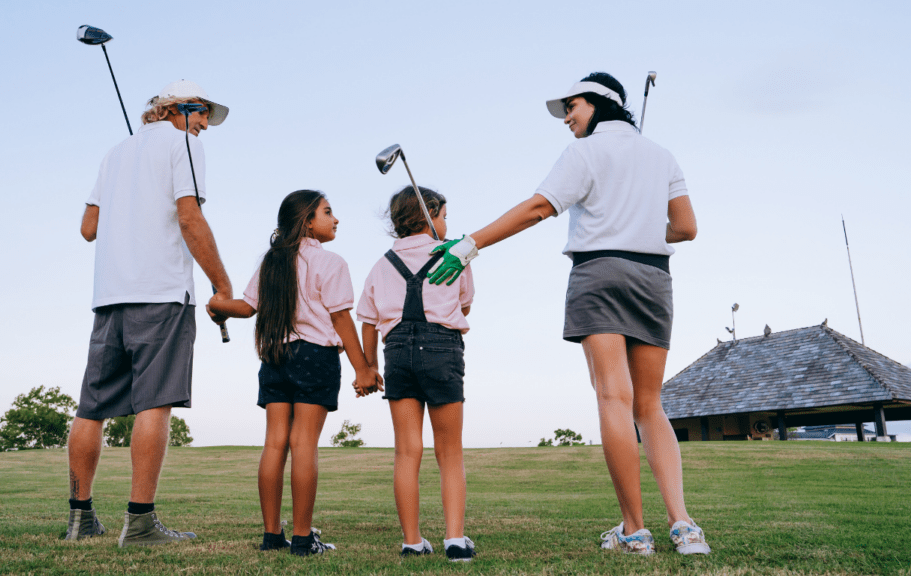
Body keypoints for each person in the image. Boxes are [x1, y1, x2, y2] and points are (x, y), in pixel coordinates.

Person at [428, 72, 709, 556]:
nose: (567, 118)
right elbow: (685, 228)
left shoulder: (584, 153)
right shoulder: (662, 155)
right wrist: (638, 219)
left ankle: (634, 531)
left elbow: (539, 208)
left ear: (600, 103)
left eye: (572, 107)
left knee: (613, 399)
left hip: (599, 273)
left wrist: (470, 244)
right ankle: (684, 527)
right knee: (650, 405)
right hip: (653, 278)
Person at [66, 80, 233, 547]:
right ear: (176, 109)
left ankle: (80, 521)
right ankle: (138, 524)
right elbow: (189, 218)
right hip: (160, 292)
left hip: (109, 297)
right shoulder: (185, 146)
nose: (204, 125)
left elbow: (88, 227)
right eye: (201, 113)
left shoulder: (115, 153)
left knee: (92, 408)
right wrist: (222, 285)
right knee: (155, 402)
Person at [207, 190, 382, 556]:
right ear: (307, 221)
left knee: (274, 444)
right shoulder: (331, 262)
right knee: (304, 444)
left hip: (275, 356)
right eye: (328, 212)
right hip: (315, 356)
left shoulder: (272, 262)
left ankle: (273, 536)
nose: (335, 220)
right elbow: (339, 318)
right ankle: (302, 539)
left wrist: (219, 306)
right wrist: (363, 369)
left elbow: (247, 306)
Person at [354, 186, 477, 561]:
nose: (446, 223)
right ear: (431, 214)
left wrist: (371, 364)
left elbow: (369, 322)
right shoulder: (454, 256)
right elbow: (464, 306)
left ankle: (412, 541)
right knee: (449, 452)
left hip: (397, 353)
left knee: (407, 451)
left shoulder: (381, 264)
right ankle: (455, 540)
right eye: (443, 216)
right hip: (441, 348)